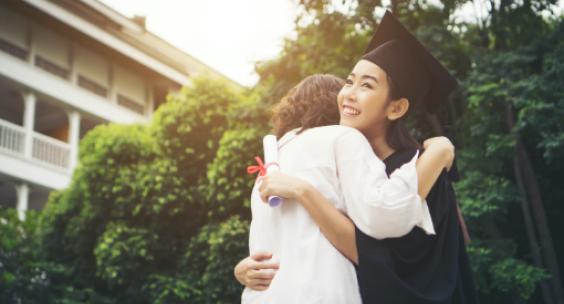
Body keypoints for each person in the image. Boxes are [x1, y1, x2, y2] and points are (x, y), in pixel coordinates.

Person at [237, 11, 478, 303]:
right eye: (349, 82)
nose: (348, 94)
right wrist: (248, 268)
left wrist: (303, 192)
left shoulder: (417, 167)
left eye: (366, 85)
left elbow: (389, 264)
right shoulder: (344, 163)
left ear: (396, 108)